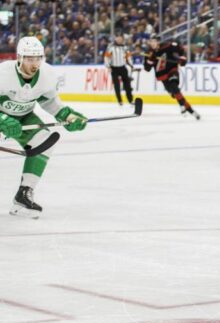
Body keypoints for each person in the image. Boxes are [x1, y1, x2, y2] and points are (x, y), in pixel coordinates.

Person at [0, 37, 87, 218]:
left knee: (44, 140)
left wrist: (69, 116)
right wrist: (3, 119)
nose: (35, 63)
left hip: (24, 117)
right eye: (30, 59)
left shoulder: (47, 75)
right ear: (20, 58)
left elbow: (50, 102)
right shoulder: (3, 74)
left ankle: (23, 195)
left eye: (38, 58)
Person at [143, 36, 200, 119]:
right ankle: (191, 111)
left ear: (158, 42)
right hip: (162, 76)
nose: (152, 43)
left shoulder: (167, 46)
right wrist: (150, 61)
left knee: (174, 86)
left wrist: (182, 59)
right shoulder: (149, 53)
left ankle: (182, 106)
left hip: (172, 70)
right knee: (175, 94)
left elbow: (180, 49)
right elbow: (147, 68)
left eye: (154, 41)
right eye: (151, 41)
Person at [104, 34, 134, 106]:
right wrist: (108, 66)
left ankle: (130, 100)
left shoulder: (125, 47)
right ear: (116, 39)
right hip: (114, 68)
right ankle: (120, 100)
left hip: (123, 67)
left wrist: (131, 64)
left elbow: (129, 57)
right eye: (118, 38)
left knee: (127, 84)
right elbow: (106, 57)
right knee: (117, 85)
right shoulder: (110, 47)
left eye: (121, 38)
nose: (119, 40)